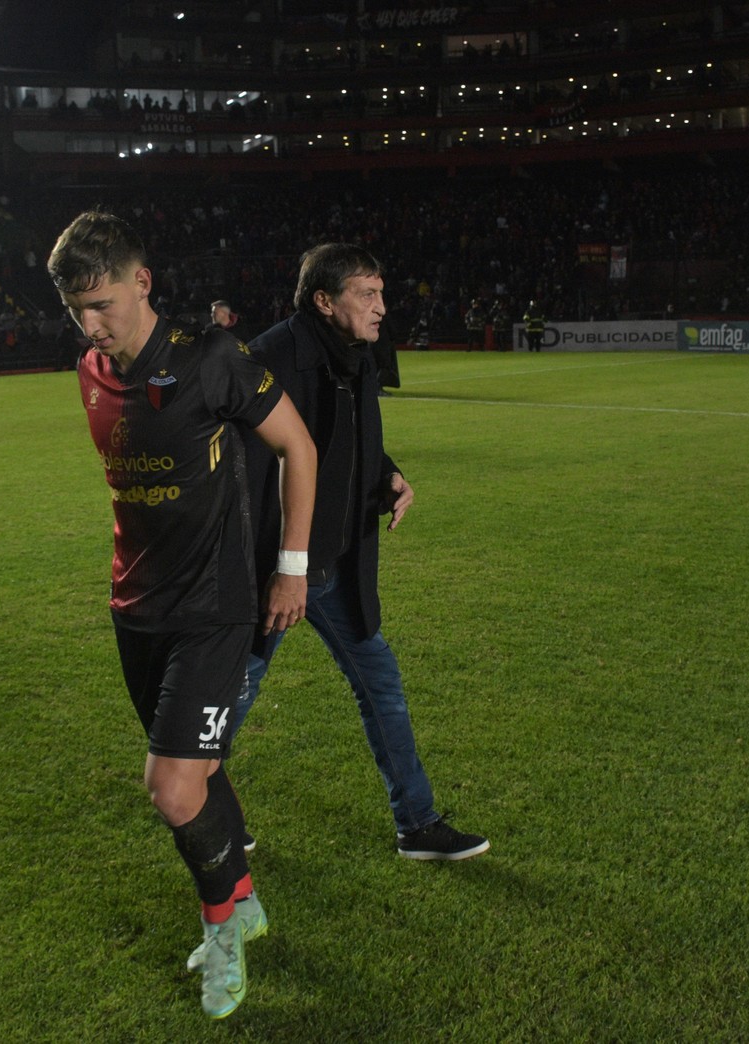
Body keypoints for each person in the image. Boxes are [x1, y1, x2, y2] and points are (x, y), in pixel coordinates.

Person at [48, 211, 317, 1020]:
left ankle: (223, 933)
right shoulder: (90, 371)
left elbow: (297, 448)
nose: (91, 325)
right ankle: (244, 899)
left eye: (101, 303)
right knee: (200, 773)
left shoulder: (212, 361)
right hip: (134, 608)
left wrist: (290, 570)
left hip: (213, 609)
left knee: (169, 787)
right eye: (74, 311)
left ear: (142, 282)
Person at [236, 243, 489, 862]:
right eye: (367, 295)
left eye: (382, 293)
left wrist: (387, 475)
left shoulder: (355, 352)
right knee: (225, 699)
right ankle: (196, 805)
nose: (382, 307)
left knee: (381, 685)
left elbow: (349, 440)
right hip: (276, 572)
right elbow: (241, 474)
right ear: (324, 301)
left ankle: (417, 823)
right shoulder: (269, 358)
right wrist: (283, 569)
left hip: (338, 567)